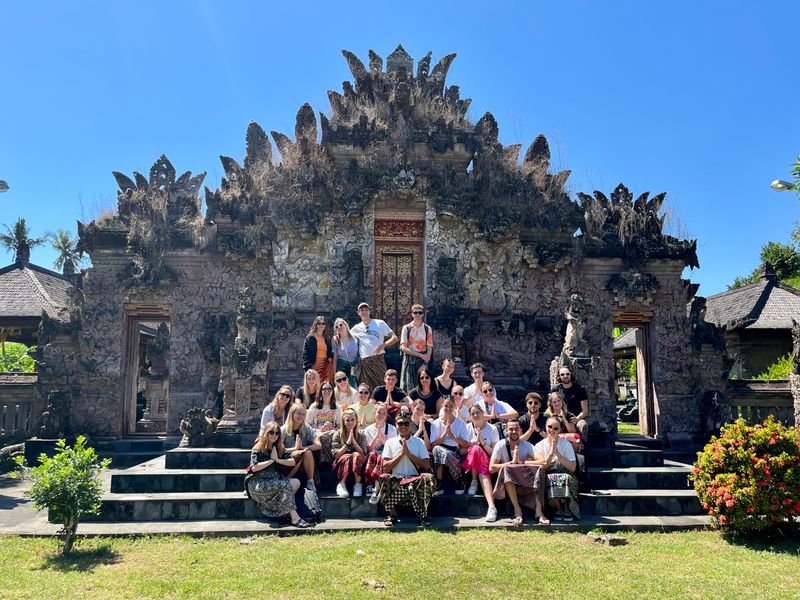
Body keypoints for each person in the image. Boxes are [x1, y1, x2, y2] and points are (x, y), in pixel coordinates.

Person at [246, 422, 311, 528]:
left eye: (277, 433)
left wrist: (278, 460)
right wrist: (271, 460)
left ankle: (278, 511)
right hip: (258, 484)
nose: (274, 435)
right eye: (271, 432)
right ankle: (295, 518)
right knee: (285, 485)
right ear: (266, 433)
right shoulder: (258, 448)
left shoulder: (278, 448)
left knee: (296, 482)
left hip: (274, 482)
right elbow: (254, 467)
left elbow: (292, 462)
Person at [379, 414, 437, 527]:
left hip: (414, 480)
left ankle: (422, 514)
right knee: (383, 478)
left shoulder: (419, 442)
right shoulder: (390, 442)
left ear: (410, 425)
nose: (403, 426)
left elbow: (426, 465)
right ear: (396, 425)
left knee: (428, 478)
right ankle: (392, 514)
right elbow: (385, 467)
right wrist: (401, 454)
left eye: (406, 423)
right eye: (400, 423)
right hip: (396, 480)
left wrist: (409, 455)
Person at [489, 418, 549, 526]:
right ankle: (517, 511)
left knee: (540, 469)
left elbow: (543, 462)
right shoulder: (500, 445)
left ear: (521, 430)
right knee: (507, 469)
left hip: (526, 483)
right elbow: (491, 468)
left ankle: (539, 512)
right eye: (511, 429)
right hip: (508, 486)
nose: (514, 432)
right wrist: (511, 463)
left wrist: (521, 462)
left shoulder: (527, 445)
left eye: (516, 429)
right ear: (506, 431)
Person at [533, 416, 580, 522]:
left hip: (567, 474)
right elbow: (544, 465)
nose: (552, 430)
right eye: (550, 427)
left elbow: (572, 467)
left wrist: (558, 454)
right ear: (545, 427)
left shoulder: (566, 444)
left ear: (559, 430)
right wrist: (551, 453)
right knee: (554, 477)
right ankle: (559, 509)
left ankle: (567, 509)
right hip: (547, 475)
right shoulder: (539, 446)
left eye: (555, 428)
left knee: (563, 477)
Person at [462, 404, 500, 522]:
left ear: (482, 413)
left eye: (477, 412)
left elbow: (495, 453)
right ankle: (491, 506)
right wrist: (474, 444)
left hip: (487, 461)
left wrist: (482, 442)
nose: (475, 415)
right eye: (472, 413)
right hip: (469, 462)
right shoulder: (467, 428)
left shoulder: (492, 428)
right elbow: (461, 450)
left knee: (478, 450)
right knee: (475, 449)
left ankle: (475, 483)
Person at [350, 302, 398, 390]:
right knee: (365, 389)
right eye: (361, 310)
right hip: (365, 363)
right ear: (358, 313)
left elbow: (394, 338)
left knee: (382, 386)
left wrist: (382, 345)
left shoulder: (380, 323)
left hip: (377, 359)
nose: (364, 312)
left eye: (366, 310)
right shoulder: (356, 328)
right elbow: (346, 336)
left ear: (369, 311)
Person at [429, 397, 470, 495]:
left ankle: (459, 480)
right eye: (446, 406)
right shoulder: (435, 423)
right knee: (437, 450)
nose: (448, 408)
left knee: (448, 454)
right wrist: (444, 434)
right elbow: (433, 445)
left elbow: (465, 444)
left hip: (454, 451)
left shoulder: (460, 423)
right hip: (440, 448)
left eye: (450, 406)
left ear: (454, 407)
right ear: (442, 406)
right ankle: (439, 482)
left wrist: (451, 434)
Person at [281, 402, 322, 491]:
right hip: (288, 458)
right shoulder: (284, 429)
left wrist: (302, 448)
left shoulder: (306, 428)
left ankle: (310, 482)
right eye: (298, 413)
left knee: (307, 452)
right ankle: (286, 479)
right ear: (292, 414)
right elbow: (279, 450)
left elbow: (318, 445)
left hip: (303, 458)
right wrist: (294, 449)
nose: (301, 416)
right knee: (300, 454)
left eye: (303, 414)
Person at [363, 403, 397, 504]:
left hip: (386, 455)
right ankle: (371, 485)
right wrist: (376, 437)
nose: (381, 415)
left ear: (386, 415)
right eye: (378, 412)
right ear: (374, 413)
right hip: (373, 454)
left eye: (383, 413)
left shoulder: (392, 429)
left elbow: (392, 449)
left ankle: (377, 487)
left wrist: (383, 441)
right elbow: (369, 449)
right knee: (373, 455)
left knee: (381, 457)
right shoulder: (368, 429)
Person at [330, 408, 368, 498]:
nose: (350, 422)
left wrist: (353, 441)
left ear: (356, 420)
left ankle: (358, 484)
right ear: (343, 421)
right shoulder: (337, 434)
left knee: (356, 455)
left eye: (352, 420)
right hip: (342, 461)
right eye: (347, 420)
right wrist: (347, 443)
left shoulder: (361, 434)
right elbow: (335, 455)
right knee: (347, 456)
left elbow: (363, 452)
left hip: (357, 462)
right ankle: (341, 484)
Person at [399, 304, 433, 392]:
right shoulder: (406, 328)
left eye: (420, 312)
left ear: (422, 314)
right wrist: (420, 355)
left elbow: (429, 348)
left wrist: (425, 363)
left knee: (423, 384)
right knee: (408, 386)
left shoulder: (427, 328)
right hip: (409, 360)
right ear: (412, 314)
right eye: (415, 312)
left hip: (422, 361)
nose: (417, 315)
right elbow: (403, 348)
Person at [552, 366, 590, 440]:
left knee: (582, 424)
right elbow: (551, 406)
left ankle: (580, 447)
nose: (565, 376)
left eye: (567, 374)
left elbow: (585, 411)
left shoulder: (580, 389)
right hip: (559, 418)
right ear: (559, 376)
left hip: (575, 419)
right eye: (562, 374)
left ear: (571, 375)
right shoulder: (555, 390)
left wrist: (577, 418)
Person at [302, 316, 333, 383]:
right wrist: (308, 368)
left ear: (325, 326)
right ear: (315, 325)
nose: (321, 325)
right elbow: (305, 354)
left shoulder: (327, 338)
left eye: (323, 323)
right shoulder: (310, 337)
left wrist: (330, 357)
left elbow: (330, 351)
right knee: (314, 385)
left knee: (325, 386)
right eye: (319, 323)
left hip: (325, 367)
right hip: (313, 366)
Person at [331, 318, 359, 388]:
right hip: (342, 368)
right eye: (336, 327)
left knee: (354, 389)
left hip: (355, 367)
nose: (339, 327)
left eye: (341, 325)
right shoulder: (336, 340)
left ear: (346, 325)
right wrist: (335, 375)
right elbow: (335, 359)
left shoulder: (355, 337)